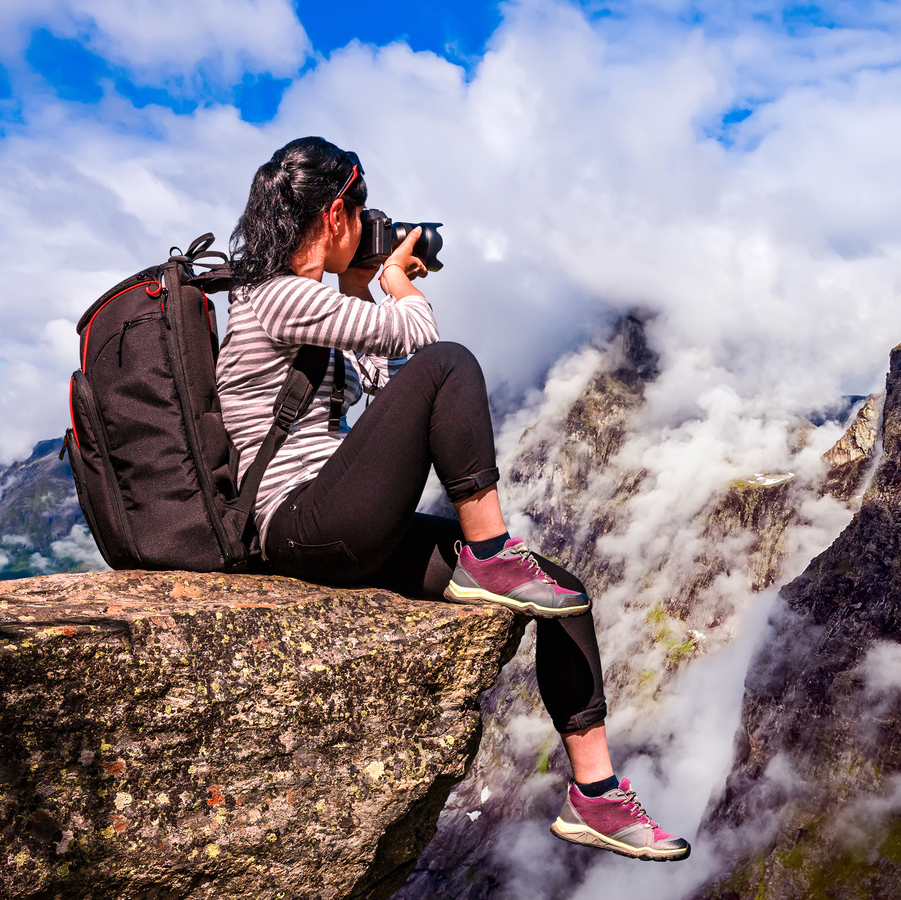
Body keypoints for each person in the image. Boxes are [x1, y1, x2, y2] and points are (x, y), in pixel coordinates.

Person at [216, 136, 688, 862]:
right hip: (300, 523)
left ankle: (595, 795)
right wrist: (396, 284)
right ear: (337, 213)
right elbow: (420, 340)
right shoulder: (274, 296)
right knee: (450, 362)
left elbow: (387, 388)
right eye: (361, 213)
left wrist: (360, 288)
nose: (367, 226)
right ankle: (490, 550)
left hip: (337, 521)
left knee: (561, 592)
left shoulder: (308, 304)